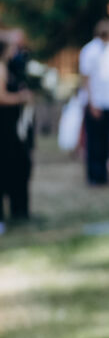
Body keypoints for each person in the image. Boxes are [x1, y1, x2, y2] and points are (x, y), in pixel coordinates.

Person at [78, 20, 109, 185]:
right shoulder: (89, 50)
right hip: (95, 101)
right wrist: (92, 102)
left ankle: (104, 174)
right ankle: (93, 175)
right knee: (94, 139)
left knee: (107, 138)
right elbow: (86, 78)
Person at [0, 34, 35, 229]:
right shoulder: (0, 68)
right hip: (5, 129)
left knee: (17, 166)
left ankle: (19, 210)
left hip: (11, 127)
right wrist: (21, 97)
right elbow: (1, 97)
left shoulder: (9, 67)